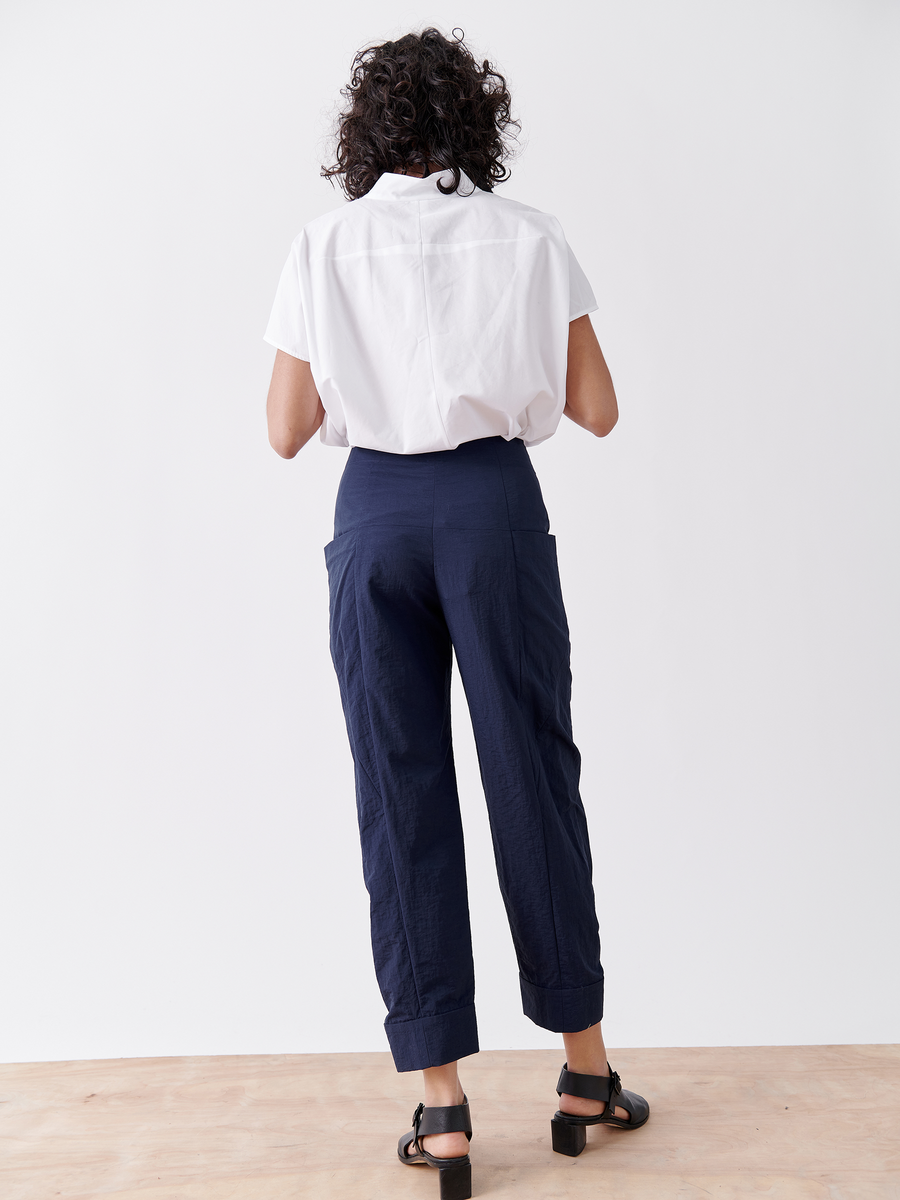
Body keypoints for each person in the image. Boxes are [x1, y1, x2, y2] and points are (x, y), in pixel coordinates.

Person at [263, 27, 649, 1199]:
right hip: (490, 512)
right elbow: (598, 409)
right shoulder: (530, 236)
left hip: (375, 514)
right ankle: (584, 1075)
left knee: (401, 789)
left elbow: (283, 429)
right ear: (478, 127)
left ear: (364, 134)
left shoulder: (322, 245)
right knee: (532, 770)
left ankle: (441, 1110)